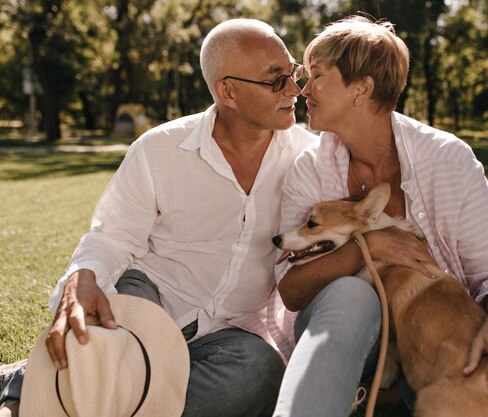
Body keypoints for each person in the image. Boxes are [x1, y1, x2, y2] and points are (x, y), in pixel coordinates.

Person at [271, 16, 488, 417]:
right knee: (352, 293)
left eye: (316, 76)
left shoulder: (447, 157)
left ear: (362, 88)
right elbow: (291, 289)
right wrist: (365, 247)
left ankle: (389, 395)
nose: (303, 89)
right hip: (352, 335)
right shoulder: (309, 169)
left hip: (440, 336)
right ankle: (346, 394)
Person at [0, 18, 317, 417]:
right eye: (276, 80)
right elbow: (113, 237)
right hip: (149, 299)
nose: (294, 89)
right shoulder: (159, 150)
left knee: (261, 372)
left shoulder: (310, 158)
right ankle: (89, 383)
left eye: (293, 73)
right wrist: (83, 273)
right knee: (116, 336)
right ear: (228, 91)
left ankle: (49, 386)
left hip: (229, 333)